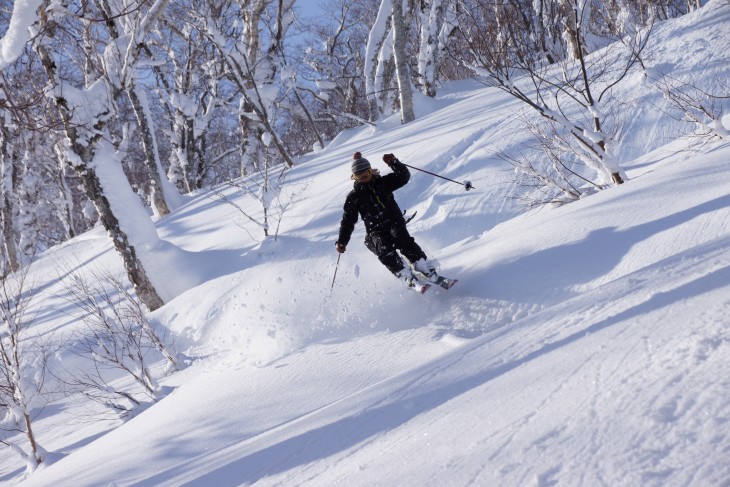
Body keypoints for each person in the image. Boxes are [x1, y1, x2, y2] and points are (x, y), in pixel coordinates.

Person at [335, 151, 438, 289]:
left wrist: (393, 162)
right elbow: (348, 221)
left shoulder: (383, 183)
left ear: (371, 171)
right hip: (375, 230)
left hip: (393, 221)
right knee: (384, 250)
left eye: (366, 172)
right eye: (359, 175)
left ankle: (424, 267)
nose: (364, 176)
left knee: (403, 239)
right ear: (354, 177)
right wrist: (342, 241)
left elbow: (403, 177)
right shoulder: (354, 197)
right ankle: (405, 275)